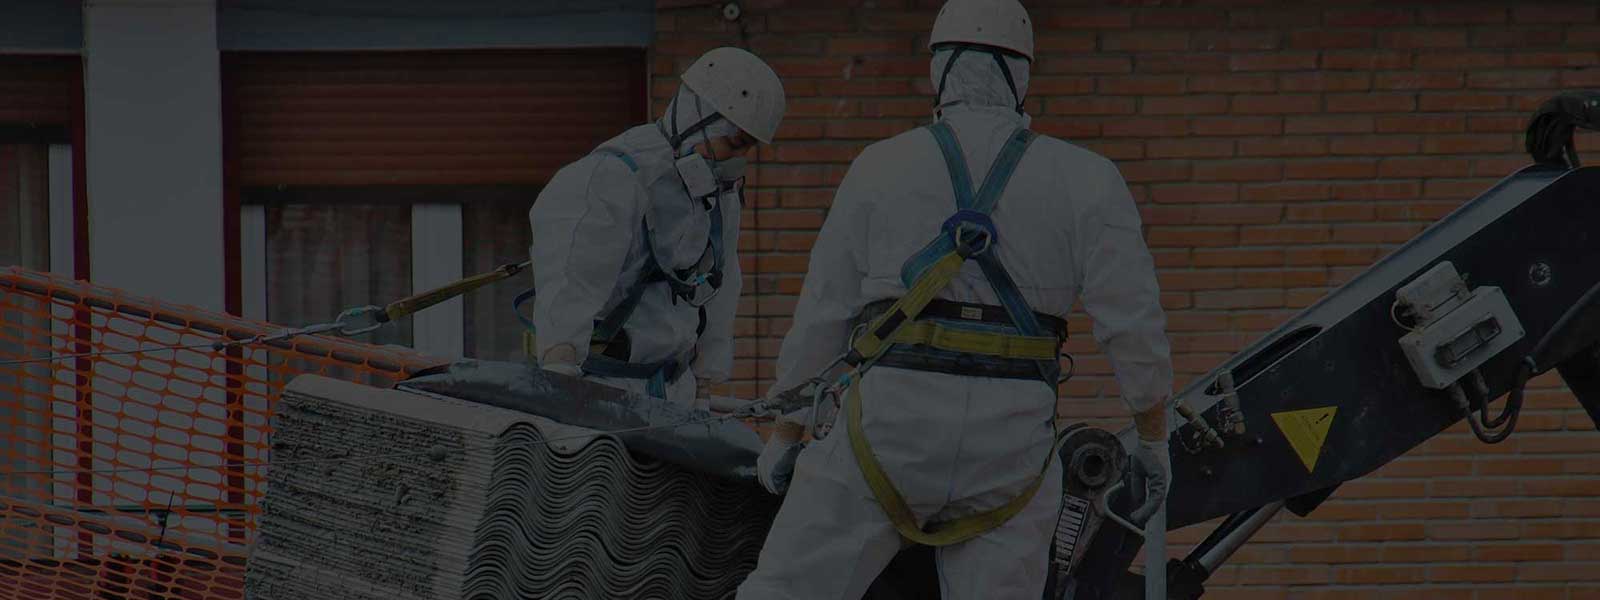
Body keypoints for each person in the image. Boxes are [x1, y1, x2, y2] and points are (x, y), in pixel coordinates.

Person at [738, 1, 1174, 597]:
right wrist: (1152, 437)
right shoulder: (1088, 178)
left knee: (786, 591)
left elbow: (823, 311)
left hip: (886, 435)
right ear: (1023, 75)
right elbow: (1133, 325)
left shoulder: (880, 166)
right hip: (1010, 449)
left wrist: (787, 433)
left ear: (939, 70)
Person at [526, 47, 785, 408]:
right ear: (697, 118)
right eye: (734, 143)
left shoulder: (717, 195)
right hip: (604, 391)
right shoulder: (611, 178)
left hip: (674, 389)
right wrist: (560, 388)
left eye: (748, 150)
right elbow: (571, 286)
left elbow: (722, 289)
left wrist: (705, 385)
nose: (737, 161)